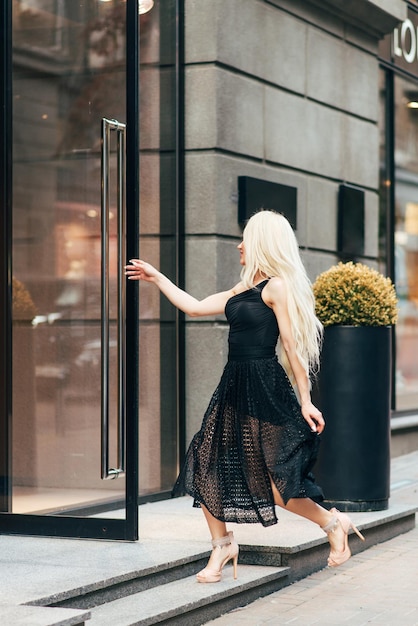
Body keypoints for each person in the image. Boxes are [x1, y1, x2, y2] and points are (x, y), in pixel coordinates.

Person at [125, 210, 364, 583]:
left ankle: (333, 523)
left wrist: (305, 400)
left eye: (246, 239)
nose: (239, 245)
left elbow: (292, 346)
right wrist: (157, 278)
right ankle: (222, 545)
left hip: (264, 387)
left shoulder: (276, 287)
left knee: (273, 479)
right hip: (233, 387)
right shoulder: (242, 290)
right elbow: (193, 305)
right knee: (205, 465)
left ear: (262, 244)